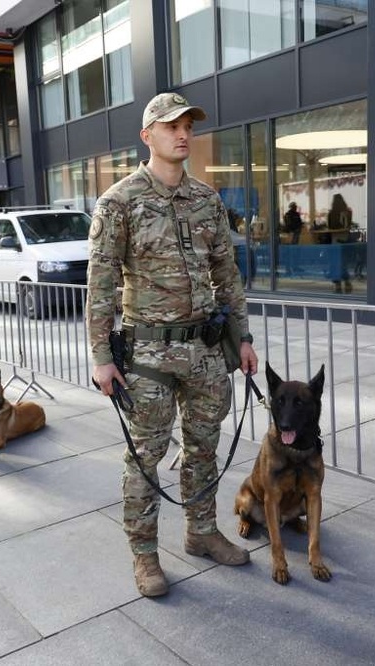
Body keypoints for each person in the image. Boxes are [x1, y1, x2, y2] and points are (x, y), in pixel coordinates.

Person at [87, 92, 259, 598]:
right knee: (147, 457)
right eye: (170, 126)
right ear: (148, 136)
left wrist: (243, 337)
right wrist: (101, 356)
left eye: (187, 126)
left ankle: (201, 532)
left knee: (204, 447)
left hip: (205, 350)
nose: (182, 134)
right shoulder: (118, 202)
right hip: (148, 356)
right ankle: (144, 556)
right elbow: (100, 284)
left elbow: (227, 275)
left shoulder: (206, 199)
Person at [326, 193, 353, 293]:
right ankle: (347, 282)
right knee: (343, 262)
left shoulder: (331, 213)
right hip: (344, 239)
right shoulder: (347, 212)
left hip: (335, 239)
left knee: (335, 262)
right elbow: (347, 226)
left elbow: (329, 227)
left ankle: (337, 284)